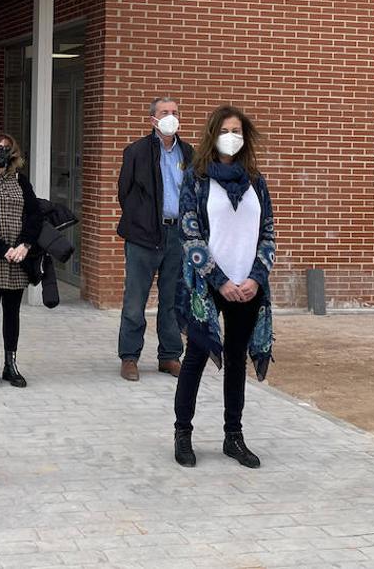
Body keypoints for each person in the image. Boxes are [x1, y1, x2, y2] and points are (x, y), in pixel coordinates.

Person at [172, 104, 276, 469]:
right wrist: (219, 280)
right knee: (197, 358)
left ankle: (234, 435)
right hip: (208, 285)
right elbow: (189, 231)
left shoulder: (255, 181)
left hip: (248, 286)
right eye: (227, 130)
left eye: (238, 131)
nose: (233, 137)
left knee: (235, 361)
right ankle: (182, 432)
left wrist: (255, 278)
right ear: (213, 134)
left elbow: (268, 233)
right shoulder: (197, 178)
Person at [116, 97, 193, 381]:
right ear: (153, 119)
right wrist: (141, 222)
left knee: (172, 300)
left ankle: (170, 356)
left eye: (175, 112)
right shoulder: (136, 152)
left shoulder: (189, 153)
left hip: (177, 236)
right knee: (135, 300)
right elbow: (125, 193)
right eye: (165, 112)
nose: (171, 116)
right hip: (144, 236)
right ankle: (129, 356)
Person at [0, 132, 42, 389]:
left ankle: (10, 363)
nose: (2, 152)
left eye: (7, 148)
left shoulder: (21, 181)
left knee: (12, 313)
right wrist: (2, 248)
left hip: (17, 259)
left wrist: (24, 246)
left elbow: (35, 215)